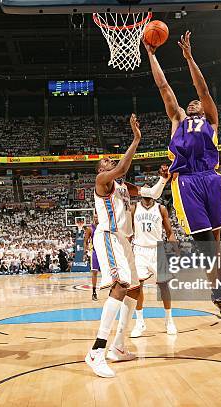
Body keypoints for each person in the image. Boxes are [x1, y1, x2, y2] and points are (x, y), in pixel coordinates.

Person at [145, 31, 221, 323]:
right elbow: (163, 86)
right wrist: (151, 54)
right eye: (190, 104)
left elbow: (204, 91)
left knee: (217, 246)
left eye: (196, 103)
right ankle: (219, 293)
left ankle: (220, 296)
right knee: (208, 247)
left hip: (212, 179)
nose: (193, 104)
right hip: (187, 182)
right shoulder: (178, 120)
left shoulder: (211, 119)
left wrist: (188, 57)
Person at [85, 114, 169, 378]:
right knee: (121, 286)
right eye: (105, 162)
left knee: (133, 290)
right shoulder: (103, 182)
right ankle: (97, 351)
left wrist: (163, 179)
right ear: (101, 170)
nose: (109, 162)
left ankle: (118, 347)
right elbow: (120, 168)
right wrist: (136, 139)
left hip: (125, 241)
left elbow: (152, 194)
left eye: (111, 159)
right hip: (109, 236)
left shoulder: (123, 186)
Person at [130, 191, 179, 337]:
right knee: (137, 286)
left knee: (164, 286)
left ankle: (169, 320)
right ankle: (139, 322)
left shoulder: (160, 208)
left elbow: (169, 231)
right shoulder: (134, 208)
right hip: (139, 249)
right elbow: (128, 231)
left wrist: (176, 250)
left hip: (157, 249)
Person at [83, 214, 100, 300]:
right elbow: (85, 241)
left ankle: (112, 291)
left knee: (110, 272)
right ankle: (94, 292)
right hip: (95, 252)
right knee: (94, 272)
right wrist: (86, 252)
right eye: (95, 217)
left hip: (104, 252)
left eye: (97, 217)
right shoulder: (90, 228)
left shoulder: (104, 227)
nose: (96, 218)